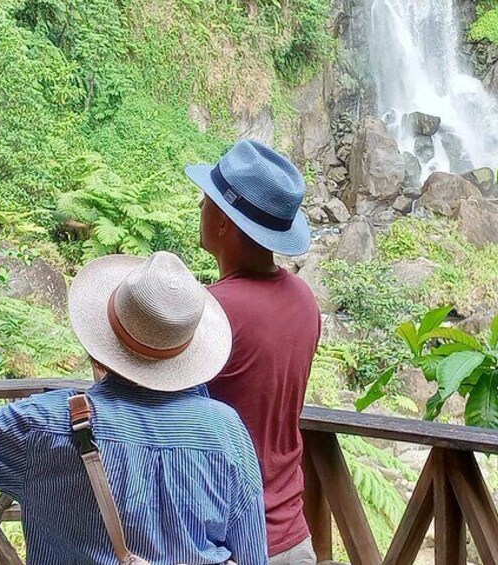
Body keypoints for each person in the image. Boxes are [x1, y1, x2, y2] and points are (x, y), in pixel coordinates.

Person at [0, 252, 268, 564]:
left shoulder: (49, 422)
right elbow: (252, 554)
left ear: (99, 349)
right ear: (185, 353)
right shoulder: (226, 430)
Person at [186, 140, 321, 564]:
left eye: (206, 200)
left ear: (225, 222)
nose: (200, 208)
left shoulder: (214, 312)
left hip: (226, 541)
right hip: (293, 538)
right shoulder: (304, 299)